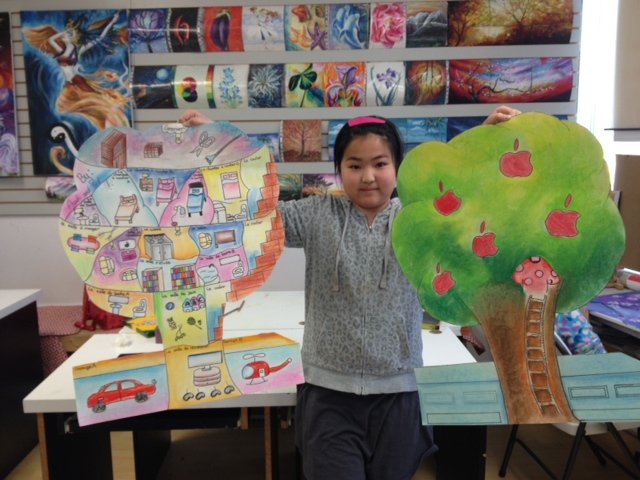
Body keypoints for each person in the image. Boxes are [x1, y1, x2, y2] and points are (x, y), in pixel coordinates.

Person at [179, 105, 520, 480]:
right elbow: (256, 208)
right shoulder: (316, 214)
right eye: (355, 165)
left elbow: (460, 187)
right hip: (329, 394)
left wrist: (484, 136)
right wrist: (219, 143)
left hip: (399, 391)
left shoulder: (418, 219)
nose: (368, 176)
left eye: (380, 163)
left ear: (397, 167)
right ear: (339, 170)